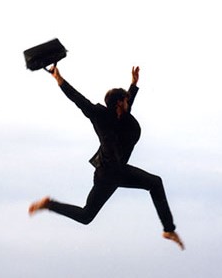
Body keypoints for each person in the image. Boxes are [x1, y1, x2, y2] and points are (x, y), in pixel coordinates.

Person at [28, 65, 185, 250]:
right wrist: (59, 79)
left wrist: (133, 84)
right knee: (155, 183)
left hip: (107, 175)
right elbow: (78, 100)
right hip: (112, 171)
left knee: (86, 216)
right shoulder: (100, 115)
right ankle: (168, 229)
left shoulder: (123, 118)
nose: (128, 102)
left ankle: (49, 205)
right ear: (119, 103)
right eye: (125, 100)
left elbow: (128, 101)